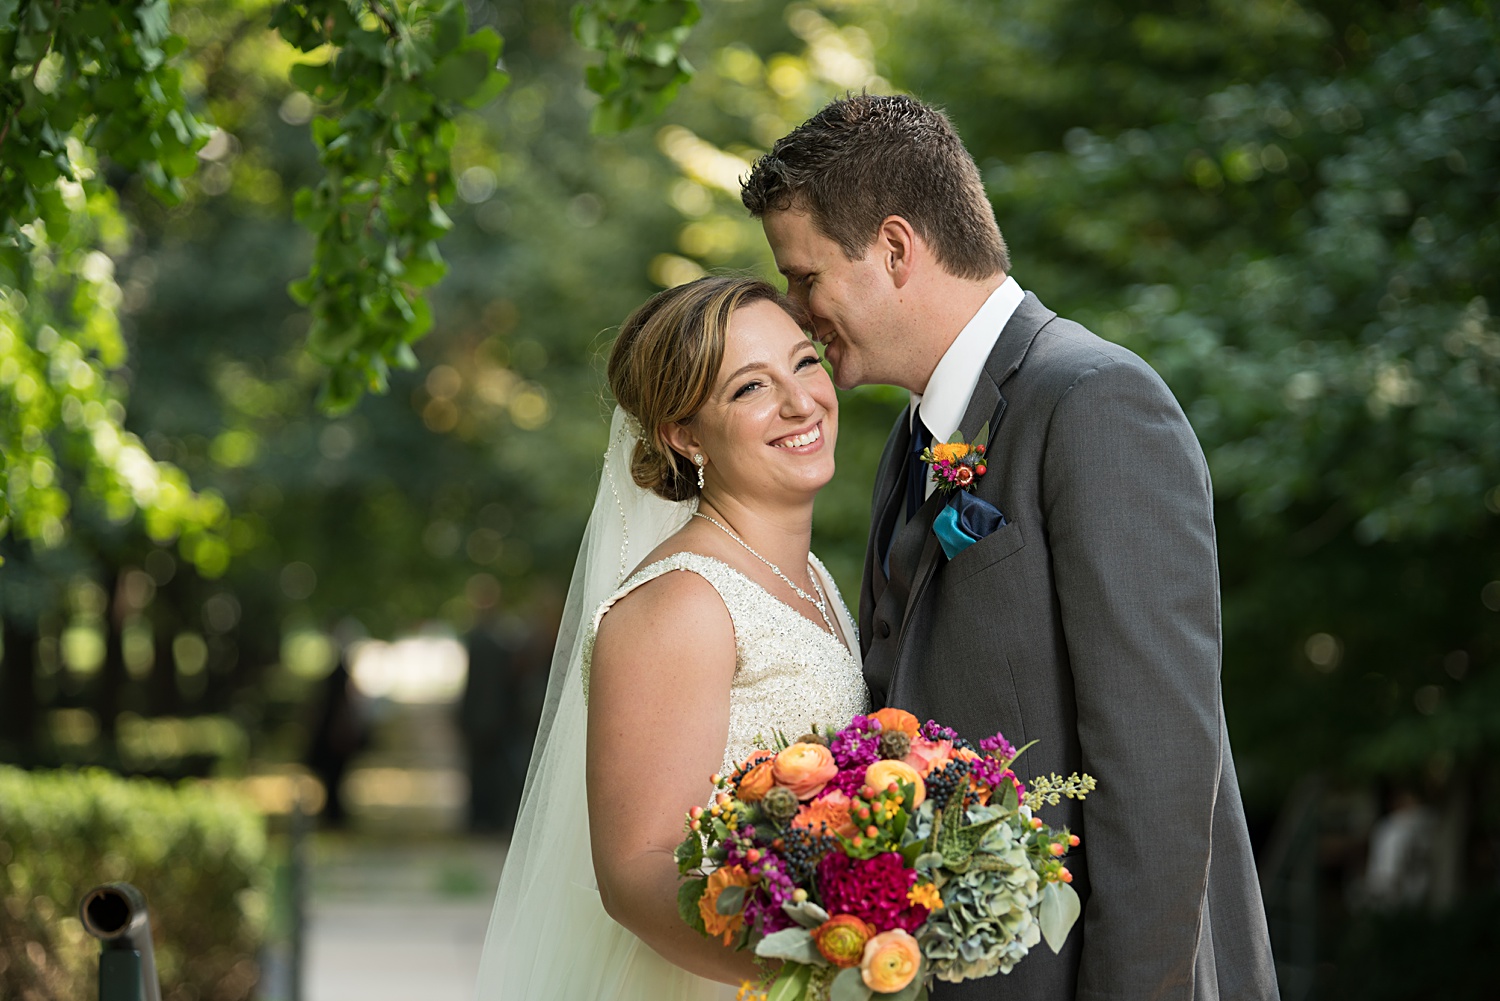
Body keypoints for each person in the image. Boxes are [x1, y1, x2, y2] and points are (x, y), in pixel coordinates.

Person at [742, 94, 1278, 1000]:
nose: (799, 313)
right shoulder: (911, 438)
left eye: (805, 278)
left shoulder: (1097, 402)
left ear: (897, 248)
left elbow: (1157, 772)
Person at [473, 276, 869, 999]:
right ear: (684, 436)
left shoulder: (812, 577)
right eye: (750, 388)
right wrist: (828, 961)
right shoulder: (681, 600)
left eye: (804, 362)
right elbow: (637, 871)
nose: (799, 400)